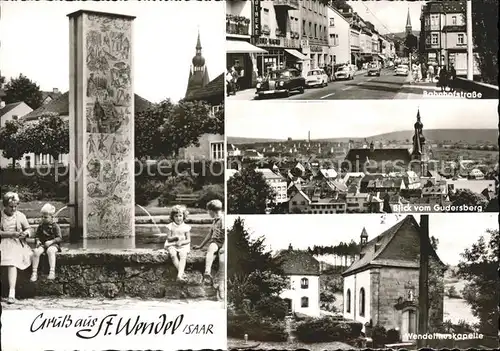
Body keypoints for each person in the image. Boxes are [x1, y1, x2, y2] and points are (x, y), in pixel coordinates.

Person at [0, 192, 33, 304]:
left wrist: (26, 234)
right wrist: (10, 234)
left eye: (16, 206)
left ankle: (11, 293)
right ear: (5, 205)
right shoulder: (1, 216)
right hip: (3, 242)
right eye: (11, 207)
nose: (14, 209)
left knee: (12, 261)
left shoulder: (20, 216)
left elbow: (29, 229)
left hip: (17, 244)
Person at [193, 199, 224, 285]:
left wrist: (224, 247)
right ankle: (207, 272)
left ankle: (219, 280)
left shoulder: (223, 219)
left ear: (211, 211)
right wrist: (200, 246)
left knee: (222, 259)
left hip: (224, 242)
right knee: (210, 250)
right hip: (215, 242)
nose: (208, 213)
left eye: (208, 211)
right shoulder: (215, 220)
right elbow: (209, 234)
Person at [30, 203, 62, 282]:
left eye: (46, 217)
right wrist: (37, 241)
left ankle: (52, 271)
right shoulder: (41, 226)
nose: (43, 218)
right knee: (36, 252)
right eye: (42, 217)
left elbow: (59, 238)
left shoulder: (55, 226)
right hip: (43, 244)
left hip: (53, 245)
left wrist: (52, 241)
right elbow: (37, 236)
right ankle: (34, 272)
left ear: (52, 217)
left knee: (50, 251)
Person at [164, 205, 191, 282]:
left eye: (180, 216)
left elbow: (188, 240)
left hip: (183, 245)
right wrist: (175, 238)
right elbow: (168, 238)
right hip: (172, 244)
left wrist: (182, 242)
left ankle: (179, 275)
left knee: (183, 255)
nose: (178, 218)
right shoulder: (170, 226)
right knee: (172, 255)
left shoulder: (186, 227)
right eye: (176, 216)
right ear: (172, 217)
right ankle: (181, 273)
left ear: (184, 216)